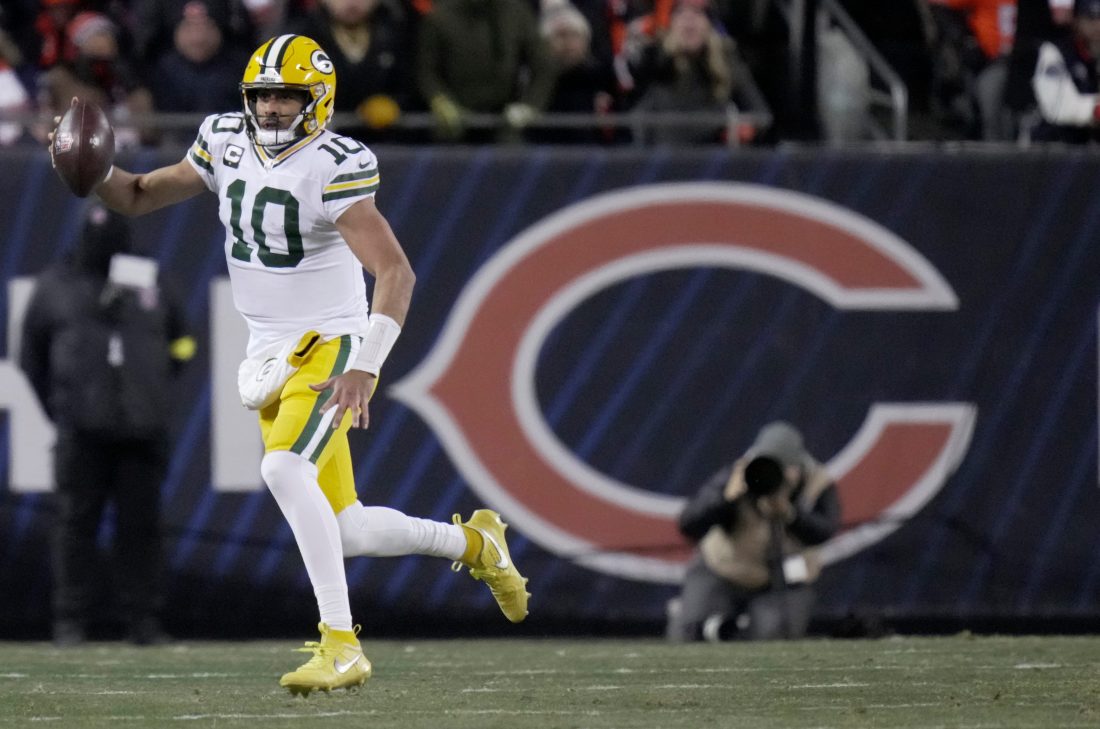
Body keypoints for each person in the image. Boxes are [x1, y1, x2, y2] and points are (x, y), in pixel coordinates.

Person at [48, 33, 529, 694]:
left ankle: (342, 644)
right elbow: (134, 195)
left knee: (282, 468)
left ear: (318, 100)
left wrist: (366, 364)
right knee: (346, 528)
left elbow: (396, 273)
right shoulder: (223, 139)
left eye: (286, 97)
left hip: (329, 343)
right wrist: (92, 168)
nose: (271, 108)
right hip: (269, 351)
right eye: (262, 96)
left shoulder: (332, 164)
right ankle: (477, 545)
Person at [20, 204, 196, 647]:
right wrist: (63, 407)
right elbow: (31, 359)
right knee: (75, 525)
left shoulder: (151, 280)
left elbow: (184, 343)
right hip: (81, 431)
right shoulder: (55, 285)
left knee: (142, 528)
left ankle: (142, 620)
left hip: (143, 429)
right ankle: (70, 621)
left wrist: (153, 387)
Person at [666, 422, 841, 642]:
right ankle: (689, 615)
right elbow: (688, 524)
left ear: (799, 466)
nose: (776, 476)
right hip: (724, 569)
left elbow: (825, 531)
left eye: (785, 468)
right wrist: (725, 499)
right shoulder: (737, 475)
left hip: (783, 579)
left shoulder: (816, 483)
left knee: (775, 637)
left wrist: (791, 514)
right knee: (691, 633)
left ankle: (744, 630)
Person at [1030, 0, 1100, 143]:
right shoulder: (1054, 52)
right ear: (1076, 21)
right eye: (1091, 18)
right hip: (1054, 145)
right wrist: (1095, 109)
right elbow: (1058, 109)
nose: (1097, 25)